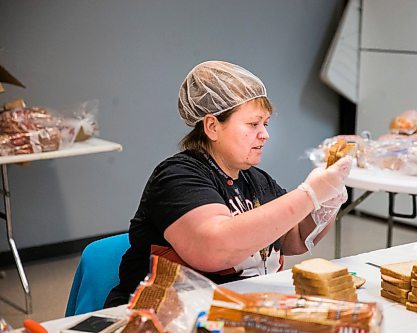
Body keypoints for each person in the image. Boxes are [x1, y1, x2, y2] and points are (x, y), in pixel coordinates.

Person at [104, 60, 352, 307]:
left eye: (265, 124)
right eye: (253, 124)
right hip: (163, 315)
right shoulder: (177, 176)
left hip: (236, 311)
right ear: (212, 126)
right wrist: (309, 195)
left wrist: (326, 201)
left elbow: (295, 238)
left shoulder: (256, 179)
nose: (264, 134)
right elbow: (214, 249)